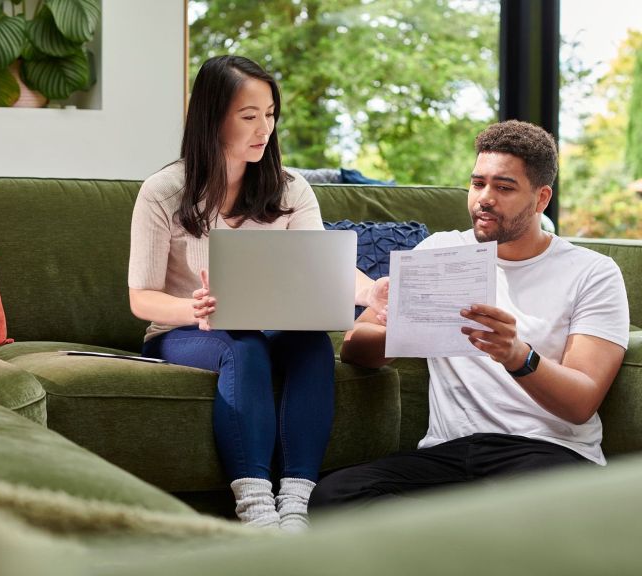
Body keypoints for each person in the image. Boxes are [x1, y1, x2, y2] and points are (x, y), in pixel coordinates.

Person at [308, 120, 630, 511]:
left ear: (541, 198)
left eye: (504, 187)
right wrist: (401, 329)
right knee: (333, 497)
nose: (484, 199)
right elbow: (354, 348)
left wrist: (518, 356)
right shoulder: (438, 251)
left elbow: (581, 403)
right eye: (478, 184)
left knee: (538, 507)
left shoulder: (592, 272)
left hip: (545, 452)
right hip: (448, 453)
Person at [127, 55, 388, 531]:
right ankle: (256, 510)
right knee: (242, 344)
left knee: (311, 343)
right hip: (185, 332)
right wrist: (194, 308)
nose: (264, 129)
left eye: (269, 114)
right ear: (212, 118)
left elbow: (321, 263)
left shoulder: (290, 188)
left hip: (270, 327)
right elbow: (142, 297)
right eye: (249, 116)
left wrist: (371, 292)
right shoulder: (162, 191)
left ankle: (296, 505)